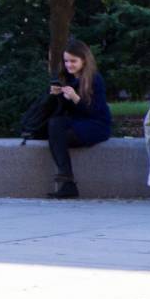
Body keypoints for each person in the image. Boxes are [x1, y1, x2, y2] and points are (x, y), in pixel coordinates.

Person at [45, 37, 111, 199]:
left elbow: (95, 112)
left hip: (97, 125)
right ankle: (67, 182)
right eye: (66, 61)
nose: (68, 65)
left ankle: (67, 183)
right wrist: (56, 95)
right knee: (54, 125)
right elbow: (64, 111)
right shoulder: (70, 78)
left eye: (73, 61)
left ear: (84, 60)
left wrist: (75, 98)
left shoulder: (95, 80)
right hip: (78, 123)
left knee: (58, 135)